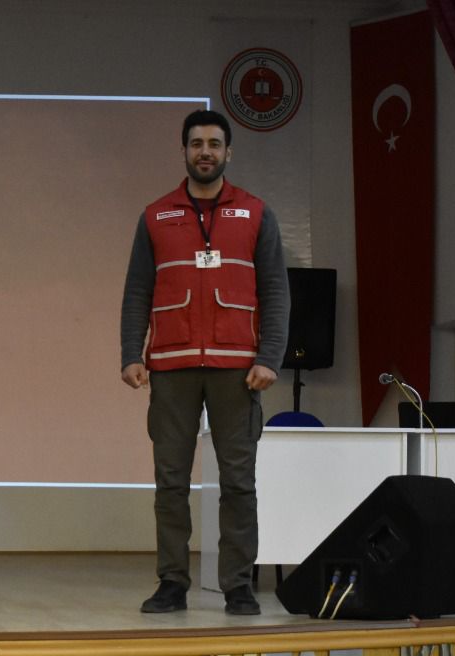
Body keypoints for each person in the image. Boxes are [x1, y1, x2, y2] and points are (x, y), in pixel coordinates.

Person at [120, 108, 289, 616]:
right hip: (171, 366)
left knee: (238, 482)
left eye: (214, 144)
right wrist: (131, 353)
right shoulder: (156, 216)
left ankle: (238, 585)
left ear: (228, 152)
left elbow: (276, 291)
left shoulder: (256, 213)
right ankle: (172, 583)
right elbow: (137, 291)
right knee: (170, 482)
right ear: (185, 152)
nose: (206, 152)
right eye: (197, 144)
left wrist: (270, 357)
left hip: (238, 369)